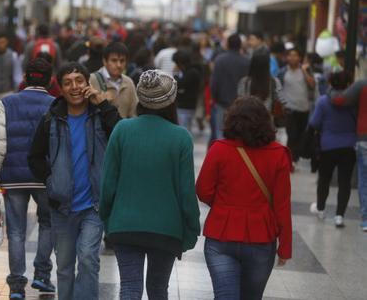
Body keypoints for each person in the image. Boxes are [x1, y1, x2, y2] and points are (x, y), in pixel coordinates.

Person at [99, 70, 201, 299]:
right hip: (166, 229)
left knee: (130, 288)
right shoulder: (181, 137)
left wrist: (106, 217)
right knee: (157, 289)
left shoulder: (122, 130)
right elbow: (186, 191)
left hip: (124, 224)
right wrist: (192, 228)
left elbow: (108, 183)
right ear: (171, 101)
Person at [28, 62, 120, 300]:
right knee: (65, 267)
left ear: (88, 83)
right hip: (62, 207)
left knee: (88, 259)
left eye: (79, 80)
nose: (75, 87)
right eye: (68, 83)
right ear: (60, 87)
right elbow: (34, 157)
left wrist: (103, 103)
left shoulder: (100, 115)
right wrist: (51, 180)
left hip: (94, 205)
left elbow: (121, 135)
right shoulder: (51, 118)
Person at [196, 97, 292, 299]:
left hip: (221, 235)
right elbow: (282, 206)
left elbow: (203, 190)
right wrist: (285, 247)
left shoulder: (219, 149)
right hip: (260, 238)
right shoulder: (279, 154)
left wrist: (224, 206)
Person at [0, 58, 56, 299]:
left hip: (13, 177)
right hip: (45, 176)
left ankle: (17, 285)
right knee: (48, 223)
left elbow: (0, 142)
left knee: (16, 232)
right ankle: (42, 274)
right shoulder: (55, 104)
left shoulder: (8, 102)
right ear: (50, 79)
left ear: (25, 77)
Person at [308, 72, 356, 227]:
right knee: (344, 182)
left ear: (330, 83)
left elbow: (314, 123)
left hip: (327, 146)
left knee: (324, 180)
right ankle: (339, 216)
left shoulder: (323, 101)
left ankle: (321, 209)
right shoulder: (354, 102)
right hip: (349, 146)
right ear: (349, 84)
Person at [331, 79, 367, 231]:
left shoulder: (362, 84)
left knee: (364, 179)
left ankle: (366, 219)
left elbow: (339, 100)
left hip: (364, 138)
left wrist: (331, 91)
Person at [278, 48, 316, 164]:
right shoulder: (283, 72)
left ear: (299, 58)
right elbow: (278, 88)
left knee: (300, 135)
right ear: (287, 57)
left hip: (303, 108)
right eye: (290, 55)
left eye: (295, 55)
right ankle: (289, 161)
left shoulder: (306, 71)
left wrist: (304, 71)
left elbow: (312, 85)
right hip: (289, 109)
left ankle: (294, 158)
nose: (293, 58)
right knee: (292, 135)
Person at [210, 33, 250, 139]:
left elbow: (214, 82)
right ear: (240, 45)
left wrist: (215, 98)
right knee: (238, 134)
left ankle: (222, 155)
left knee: (220, 133)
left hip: (222, 103)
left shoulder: (220, 60)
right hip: (241, 105)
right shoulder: (246, 61)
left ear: (227, 44)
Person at [89, 42, 138, 118]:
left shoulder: (129, 82)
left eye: (122, 61)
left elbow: (134, 114)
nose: (119, 65)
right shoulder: (92, 80)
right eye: (114, 60)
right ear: (105, 61)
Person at [172, 49, 202, 132]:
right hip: (189, 105)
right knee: (187, 129)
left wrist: (175, 74)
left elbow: (178, 84)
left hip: (185, 106)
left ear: (180, 63)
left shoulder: (191, 73)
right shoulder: (193, 71)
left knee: (183, 130)